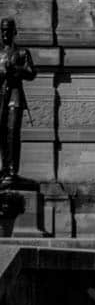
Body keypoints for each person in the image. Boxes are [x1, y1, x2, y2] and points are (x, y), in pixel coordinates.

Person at [0, 18, 36, 187]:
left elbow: (31, 72)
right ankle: (5, 169)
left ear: (14, 32)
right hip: (1, 95)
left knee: (13, 132)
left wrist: (14, 69)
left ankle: (13, 170)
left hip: (14, 96)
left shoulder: (22, 52)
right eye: (2, 30)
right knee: (2, 134)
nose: (5, 33)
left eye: (8, 30)